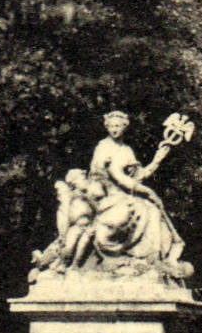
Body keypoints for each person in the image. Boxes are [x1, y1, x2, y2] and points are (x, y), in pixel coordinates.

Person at [70, 110, 192, 278]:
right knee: (145, 208)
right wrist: (149, 192)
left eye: (118, 126)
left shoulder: (126, 150)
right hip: (108, 197)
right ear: (106, 127)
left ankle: (155, 257)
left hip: (124, 194)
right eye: (111, 126)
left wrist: (157, 160)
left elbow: (137, 177)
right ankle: (144, 255)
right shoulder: (103, 148)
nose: (114, 129)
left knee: (153, 209)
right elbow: (120, 179)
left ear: (124, 127)